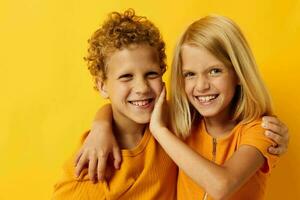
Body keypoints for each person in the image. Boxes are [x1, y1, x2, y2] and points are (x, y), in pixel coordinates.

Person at [75, 15, 290, 200]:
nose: (202, 86)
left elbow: (221, 186)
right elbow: (119, 107)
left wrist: (159, 131)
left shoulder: (260, 131)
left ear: (239, 74)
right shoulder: (183, 120)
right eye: (190, 74)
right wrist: (100, 127)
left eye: (215, 71)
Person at [52, 9, 177, 200]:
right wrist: (100, 127)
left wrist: (101, 123)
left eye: (151, 74)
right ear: (102, 87)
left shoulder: (175, 121)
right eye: (126, 76)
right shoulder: (92, 162)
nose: (142, 88)